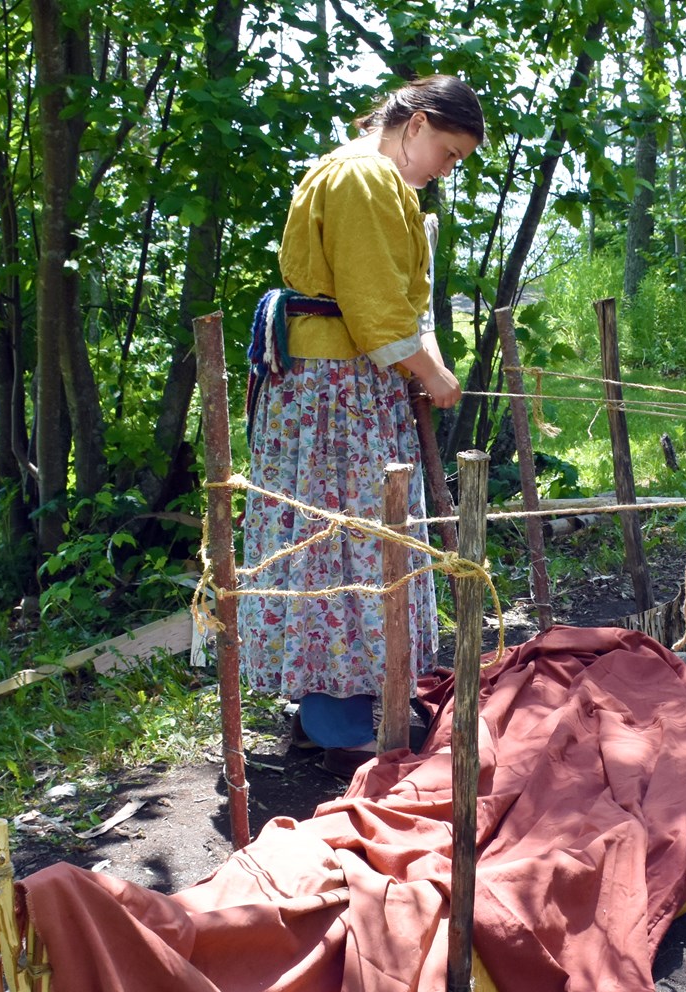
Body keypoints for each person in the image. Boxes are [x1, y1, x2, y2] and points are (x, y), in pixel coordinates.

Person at [237, 74, 484, 776]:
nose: (445, 169)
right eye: (447, 150)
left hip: (349, 387)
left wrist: (432, 368)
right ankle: (336, 714)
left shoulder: (383, 186)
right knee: (340, 539)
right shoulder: (363, 178)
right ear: (417, 124)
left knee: (359, 537)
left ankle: (350, 703)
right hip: (330, 398)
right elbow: (376, 312)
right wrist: (431, 377)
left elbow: (406, 316)